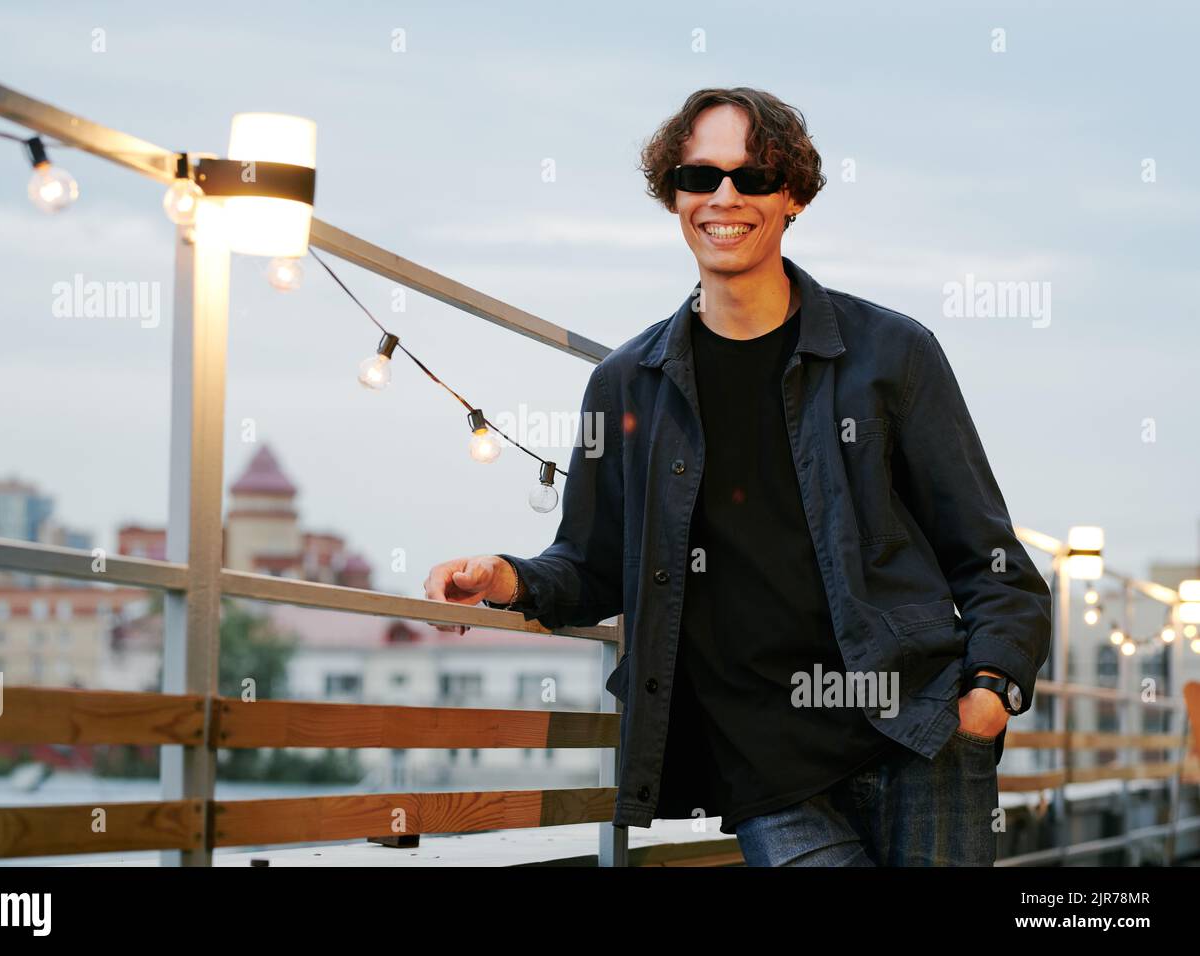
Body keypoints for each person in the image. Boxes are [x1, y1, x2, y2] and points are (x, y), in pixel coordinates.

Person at [423, 87, 1051, 866]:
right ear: (674, 196)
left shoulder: (893, 354)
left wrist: (989, 693)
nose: (725, 197)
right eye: (700, 177)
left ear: (792, 197)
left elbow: (992, 562)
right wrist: (504, 577)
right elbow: (592, 563)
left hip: (918, 733)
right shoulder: (626, 385)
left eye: (753, 178)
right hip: (765, 772)